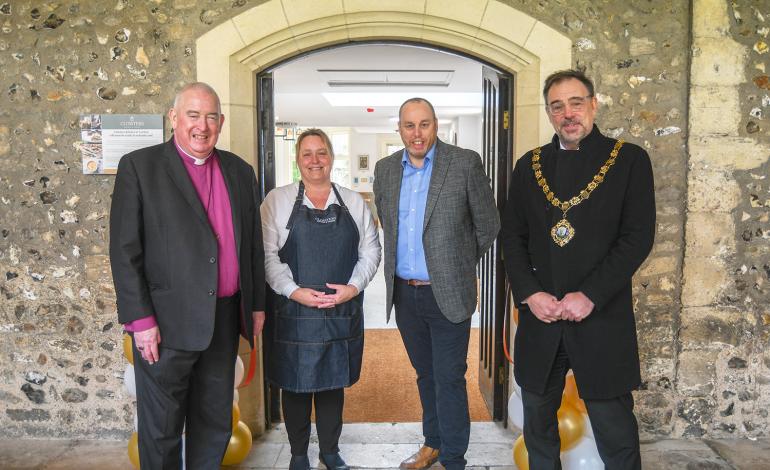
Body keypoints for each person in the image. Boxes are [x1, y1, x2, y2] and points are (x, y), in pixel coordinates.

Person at [500, 69, 656, 469]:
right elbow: (512, 239)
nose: (567, 113)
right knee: (538, 425)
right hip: (542, 319)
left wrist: (590, 295)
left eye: (575, 102)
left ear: (593, 104)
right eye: (557, 106)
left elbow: (636, 239)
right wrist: (530, 294)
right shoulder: (528, 165)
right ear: (550, 113)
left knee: (615, 429)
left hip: (601, 319)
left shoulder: (629, 160)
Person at [109, 82, 266, 469]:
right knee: (161, 428)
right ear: (174, 118)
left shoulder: (240, 171)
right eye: (193, 116)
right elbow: (124, 250)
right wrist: (140, 320)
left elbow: (252, 246)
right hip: (165, 325)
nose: (202, 126)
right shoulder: (140, 167)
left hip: (223, 320)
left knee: (213, 424)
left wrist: (257, 304)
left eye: (211, 116)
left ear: (221, 121)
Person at [373, 98, 500, 470]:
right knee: (425, 375)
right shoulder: (385, 170)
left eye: (424, 124)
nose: (417, 133)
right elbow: (387, 222)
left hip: (448, 293)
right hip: (405, 294)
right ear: (399, 128)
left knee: (449, 378)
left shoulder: (463, 163)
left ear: (435, 126)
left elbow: (488, 225)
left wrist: (456, 266)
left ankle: (453, 459)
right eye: (409, 126)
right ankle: (432, 444)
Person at [261, 128, 381, 470]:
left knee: (332, 385)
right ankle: (299, 455)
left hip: (340, 311)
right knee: (296, 386)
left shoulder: (353, 201)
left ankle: (330, 452)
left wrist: (353, 287)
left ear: (331, 157)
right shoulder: (277, 200)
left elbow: (371, 250)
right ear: (298, 161)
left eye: (321, 152)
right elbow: (267, 256)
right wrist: (294, 291)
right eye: (307, 154)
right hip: (293, 312)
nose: (315, 160)